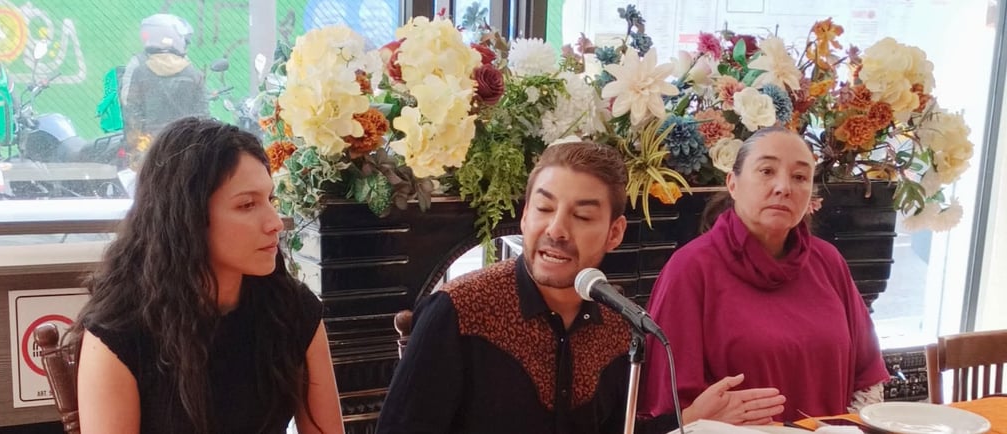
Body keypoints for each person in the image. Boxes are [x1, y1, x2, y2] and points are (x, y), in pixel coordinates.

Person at [375, 141, 784, 434]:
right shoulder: (460, 310)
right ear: (525, 216)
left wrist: (688, 420)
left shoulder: (618, 323)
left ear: (614, 233)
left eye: (582, 216)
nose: (556, 230)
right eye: (544, 208)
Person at [68, 117, 345, 434]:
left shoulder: (290, 309)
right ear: (187, 217)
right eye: (247, 205)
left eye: (271, 200)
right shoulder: (120, 332)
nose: (275, 223)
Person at [638, 126, 890, 425]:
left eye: (800, 177)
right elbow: (672, 409)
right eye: (767, 171)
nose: (784, 187)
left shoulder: (827, 261)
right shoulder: (690, 269)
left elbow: (867, 374)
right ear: (732, 183)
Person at [120, 14, 208, 167]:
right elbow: (203, 112)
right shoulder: (190, 70)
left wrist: (134, 141)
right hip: (185, 142)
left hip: (148, 145)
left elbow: (130, 105)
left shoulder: (139, 65)